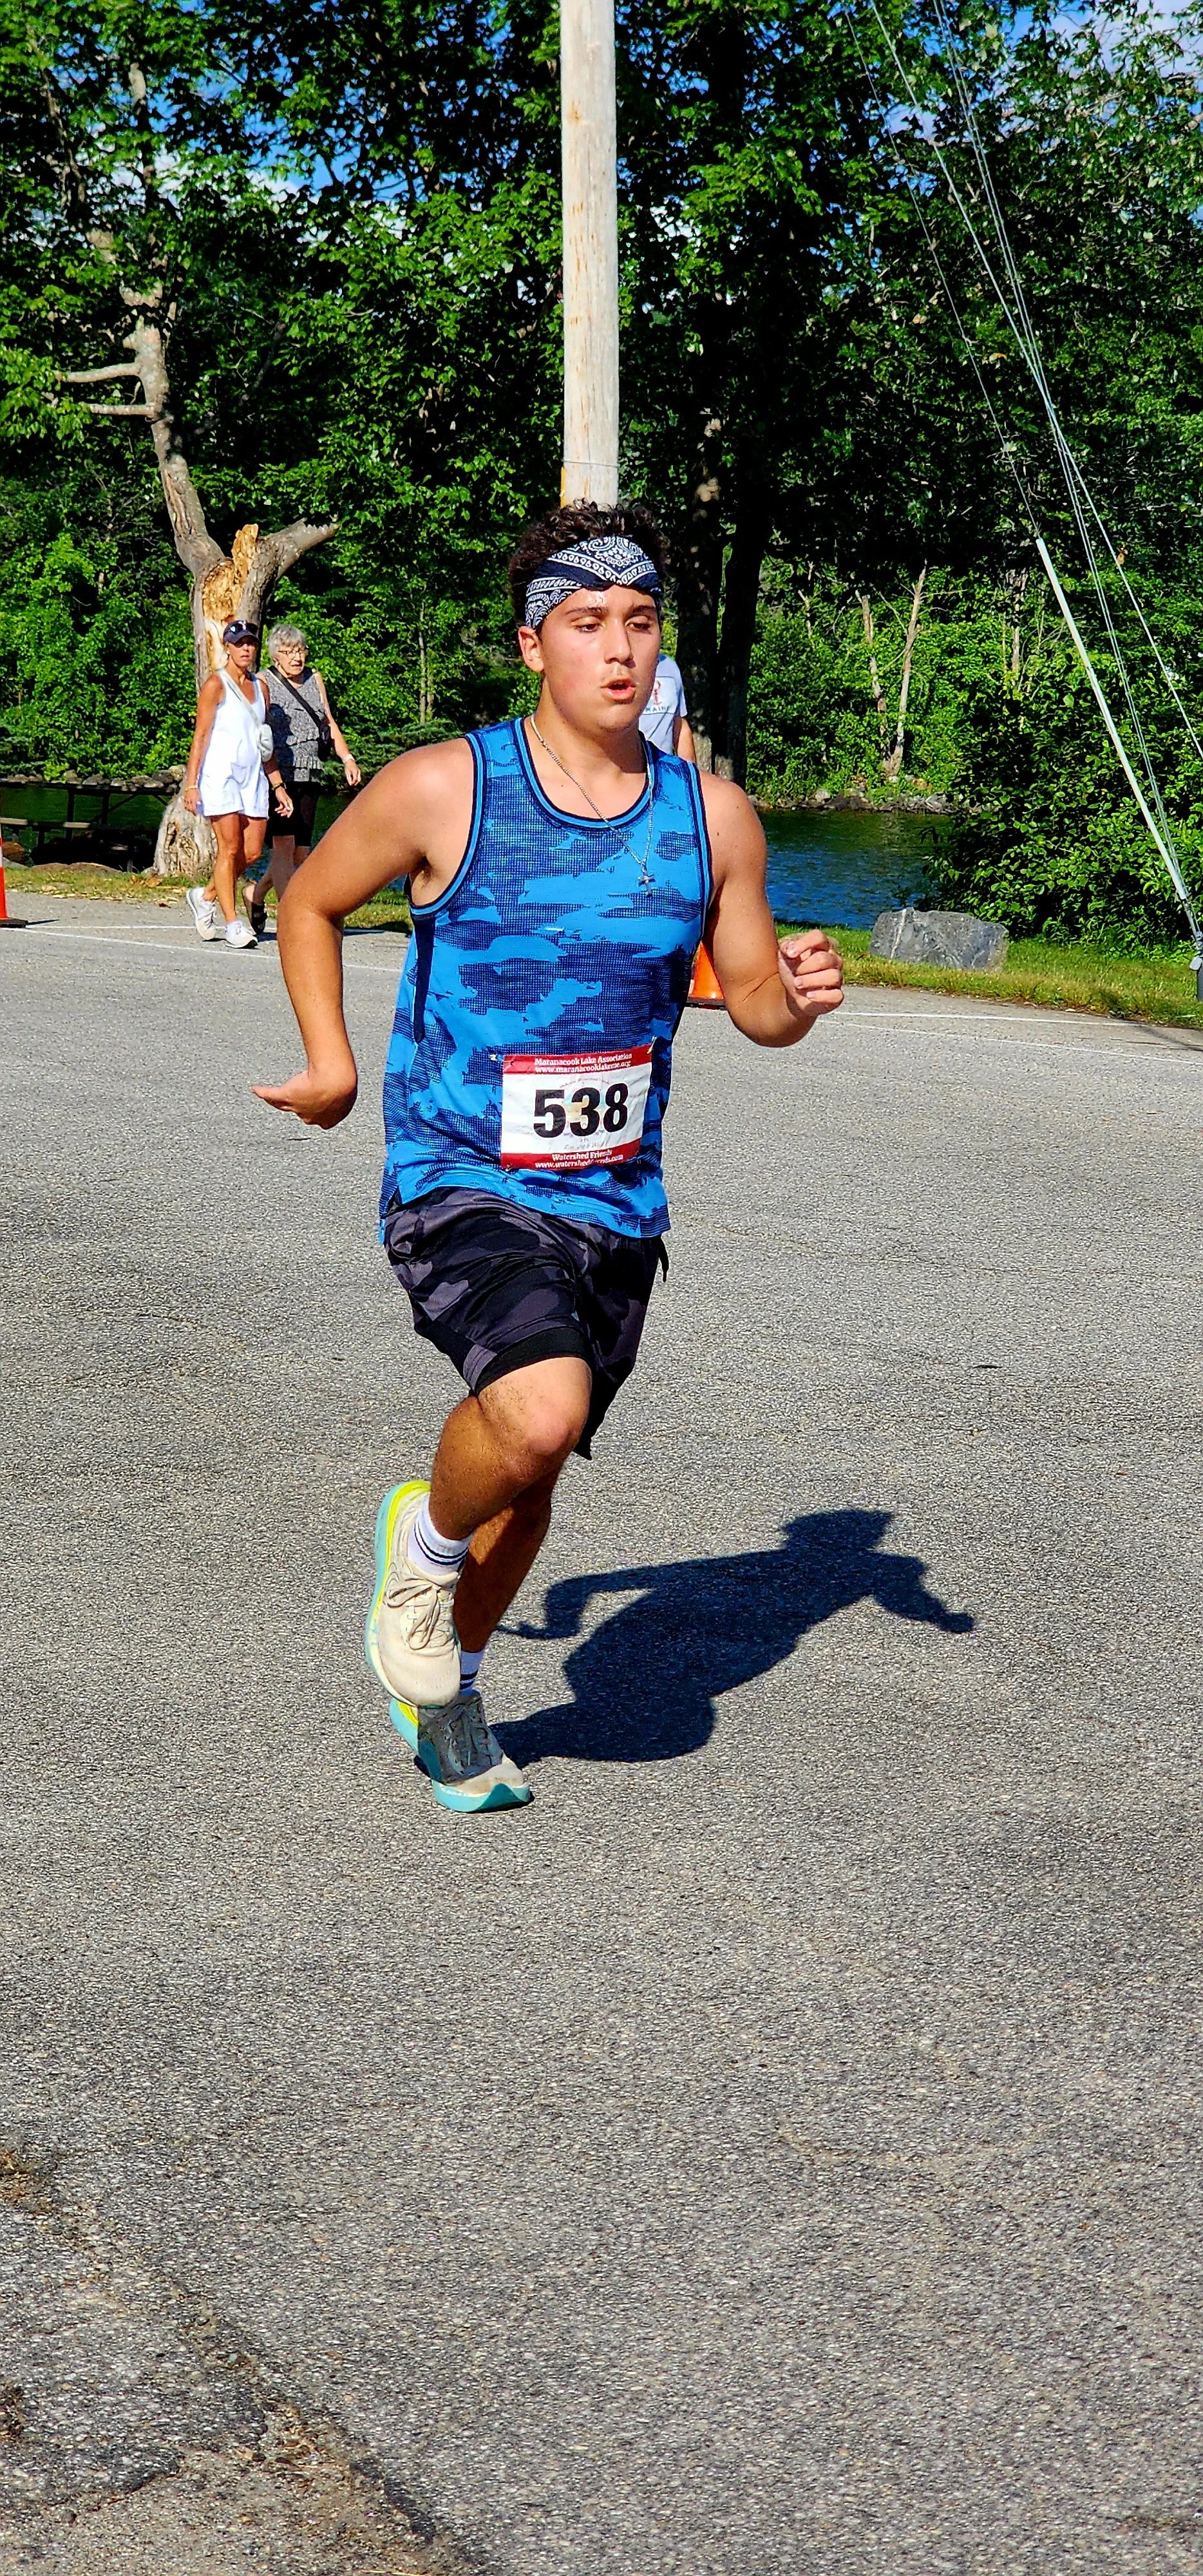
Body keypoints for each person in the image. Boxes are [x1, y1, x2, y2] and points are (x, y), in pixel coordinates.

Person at [254, 501, 844, 1814]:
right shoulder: (444, 787)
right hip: (461, 1175)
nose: (619, 650)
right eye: (588, 624)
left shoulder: (712, 818)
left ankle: (447, 1681)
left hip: (614, 1204)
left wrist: (794, 994)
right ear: (535, 646)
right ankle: (418, 1546)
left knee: (530, 1464)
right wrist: (333, 1060)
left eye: (639, 623)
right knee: (537, 1408)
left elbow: (748, 997)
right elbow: (308, 898)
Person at [245, 625, 361, 938]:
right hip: (279, 774)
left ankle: (255, 895)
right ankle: (291, 918)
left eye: (301, 650)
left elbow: (328, 721)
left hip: (311, 771)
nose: (297, 657)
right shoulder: (264, 682)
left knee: (301, 854)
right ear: (275, 656)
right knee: (284, 848)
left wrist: (347, 758)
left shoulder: (315, 678)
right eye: (289, 652)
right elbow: (257, 729)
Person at [182, 621, 292, 951]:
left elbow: (264, 742)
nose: (246, 649)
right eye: (239, 643)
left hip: (253, 777)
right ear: (227, 648)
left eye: (251, 644)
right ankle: (232, 924)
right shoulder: (216, 684)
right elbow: (200, 736)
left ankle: (206, 896)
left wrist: (278, 786)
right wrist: (192, 784)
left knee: (253, 850)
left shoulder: (261, 688)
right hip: (220, 775)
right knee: (229, 848)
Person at [639, 647, 695, 760]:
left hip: (664, 770)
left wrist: (689, 773)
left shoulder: (670, 667)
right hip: (628, 771)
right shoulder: (618, 668)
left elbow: (679, 724)